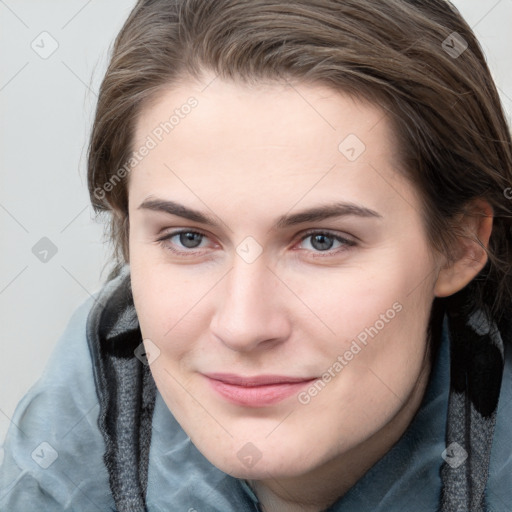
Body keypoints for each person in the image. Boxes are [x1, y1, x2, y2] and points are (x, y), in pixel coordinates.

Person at [1, 0, 512, 510]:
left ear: (460, 245)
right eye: (189, 238)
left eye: (322, 241)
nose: (244, 326)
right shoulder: (59, 459)